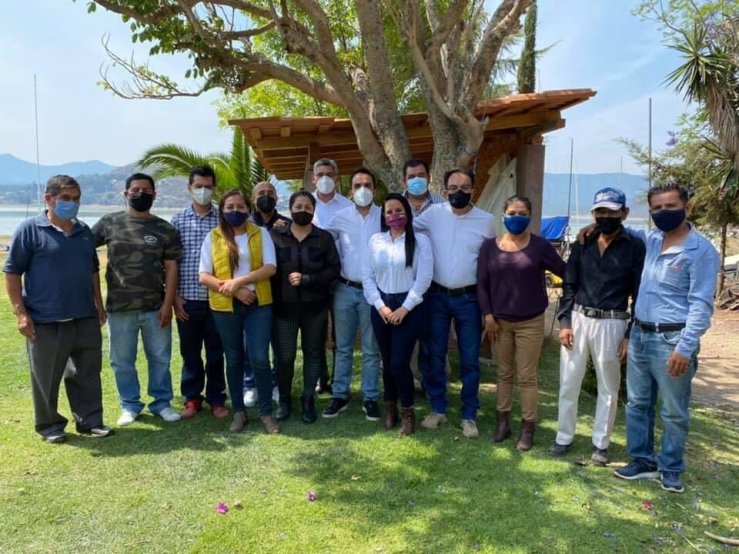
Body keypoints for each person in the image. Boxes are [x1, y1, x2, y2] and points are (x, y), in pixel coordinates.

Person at [613, 183, 719, 493]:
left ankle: (671, 467)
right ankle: (642, 461)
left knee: (674, 410)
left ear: (687, 207)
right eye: (657, 208)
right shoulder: (653, 239)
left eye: (670, 206)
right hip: (640, 335)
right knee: (637, 403)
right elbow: (626, 229)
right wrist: (593, 226)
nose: (663, 212)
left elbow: (701, 305)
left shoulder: (700, 251)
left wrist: (685, 347)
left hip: (673, 340)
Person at [4, 175, 112, 443]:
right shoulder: (29, 230)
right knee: (46, 377)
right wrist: (21, 313)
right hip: (46, 320)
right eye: (66, 198)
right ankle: (50, 426)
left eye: (76, 199)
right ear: (48, 199)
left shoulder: (84, 231)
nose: (72, 203)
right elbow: (13, 273)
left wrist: (98, 305)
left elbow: (93, 270)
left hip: (84, 316)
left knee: (87, 373)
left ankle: (90, 422)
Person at [550, 187, 645, 464]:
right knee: (569, 381)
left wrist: (629, 334)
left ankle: (601, 445)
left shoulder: (635, 246)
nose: (606, 217)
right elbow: (570, 284)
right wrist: (565, 321)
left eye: (612, 212)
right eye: (600, 211)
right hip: (579, 318)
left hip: (613, 322)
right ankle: (563, 437)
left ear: (624, 213)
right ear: (593, 214)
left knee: (609, 387)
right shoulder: (584, 241)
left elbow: (639, 294)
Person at [92, 173, 182, 426]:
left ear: (154, 195)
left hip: (155, 308)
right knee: (122, 361)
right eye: (135, 189)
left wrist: (168, 304)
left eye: (146, 190)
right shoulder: (109, 223)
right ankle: (130, 405)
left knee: (160, 358)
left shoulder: (165, 228)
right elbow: (82, 249)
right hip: (120, 307)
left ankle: (161, 403)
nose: (141, 194)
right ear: (125, 193)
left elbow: (171, 268)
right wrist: (96, 301)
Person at [477, 195, 565, 451]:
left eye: (523, 213)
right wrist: (488, 315)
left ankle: (528, 428)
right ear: (503, 215)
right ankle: (502, 422)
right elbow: (482, 284)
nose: (517, 217)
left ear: (530, 216)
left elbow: (565, 272)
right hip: (499, 323)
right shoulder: (489, 247)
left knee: (527, 376)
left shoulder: (540, 246)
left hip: (531, 322)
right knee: (504, 373)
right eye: (512, 213)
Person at [414, 167, 495, 438]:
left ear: (474, 190)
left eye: (464, 188)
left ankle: (469, 414)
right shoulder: (432, 214)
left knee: (470, 359)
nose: (458, 192)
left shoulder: (486, 221)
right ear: (444, 190)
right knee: (435, 355)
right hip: (436, 296)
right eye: (453, 187)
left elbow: (495, 258)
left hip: (469, 299)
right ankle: (437, 408)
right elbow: (403, 228)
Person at [199, 189, 280, 434]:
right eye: (230, 207)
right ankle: (238, 412)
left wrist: (239, 282)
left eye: (240, 206)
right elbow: (204, 276)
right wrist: (235, 291)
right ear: (222, 210)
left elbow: (270, 267)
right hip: (225, 306)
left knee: (259, 357)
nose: (235, 211)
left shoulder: (260, 233)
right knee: (233, 359)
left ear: (248, 209)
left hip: (258, 304)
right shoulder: (213, 237)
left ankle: (266, 412)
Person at [363, 193, 433, 435]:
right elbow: (367, 276)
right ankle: (390, 407)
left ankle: (408, 412)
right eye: (389, 212)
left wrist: (405, 307)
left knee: (400, 363)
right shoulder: (376, 241)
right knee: (387, 361)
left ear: (407, 213)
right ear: (384, 216)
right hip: (381, 305)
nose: (394, 215)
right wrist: (380, 305)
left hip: (409, 306)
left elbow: (424, 277)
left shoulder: (420, 241)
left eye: (399, 210)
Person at [270, 191, 341, 423]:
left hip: (315, 309)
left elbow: (334, 269)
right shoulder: (276, 235)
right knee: (285, 356)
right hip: (284, 309)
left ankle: (308, 398)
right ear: (290, 209)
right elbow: (268, 267)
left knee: (313, 353)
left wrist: (309, 279)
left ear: (314, 210)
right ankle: (284, 399)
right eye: (298, 207)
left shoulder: (324, 238)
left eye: (308, 207)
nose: (303, 211)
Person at [322, 167, 382, 421]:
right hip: (344, 289)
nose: (363, 190)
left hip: (374, 292)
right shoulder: (341, 217)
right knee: (343, 347)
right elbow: (319, 238)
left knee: (371, 349)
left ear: (374, 190)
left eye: (367, 185)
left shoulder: (384, 216)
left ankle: (370, 397)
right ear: (350, 190)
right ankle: (339, 395)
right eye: (357, 185)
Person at [171, 165, 228, 420]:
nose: (203, 191)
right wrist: (174, 297)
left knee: (216, 352)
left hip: (218, 298)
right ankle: (192, 398)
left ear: (214, 189)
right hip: (187, 299)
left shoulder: (224, 219)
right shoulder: (177, 221)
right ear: (189, 188)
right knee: (190, 352)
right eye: (198, 186)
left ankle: (217, 399)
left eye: (208, 186)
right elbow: (170, 262)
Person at [241, 180, 290, 408]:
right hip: (253, 293)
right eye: (261, 193)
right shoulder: (244, 224)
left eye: (270, 193)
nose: (266, 196)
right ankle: (250, 384)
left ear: (277, 198)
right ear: (253, 199)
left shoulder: (287, 224)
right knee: (251, 344)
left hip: (280, 293)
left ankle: (277, 384)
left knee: (279, 343)